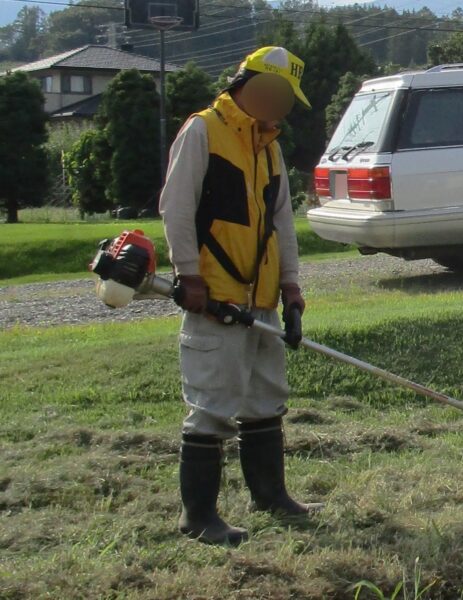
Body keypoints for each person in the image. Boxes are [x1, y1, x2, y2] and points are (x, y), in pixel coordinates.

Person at [159, 46, 322, 546]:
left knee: (265, 399)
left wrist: (290, 287)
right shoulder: (204, 131)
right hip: (215, 296)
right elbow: (176, 208)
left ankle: (271, 496)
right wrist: (189, 277)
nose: (281, 107)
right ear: (250, 86)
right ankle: (199, 517)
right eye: (277, 96)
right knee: (211, 403)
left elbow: (282, 224)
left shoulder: (268, 146)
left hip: (263, 299)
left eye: (288, 101)